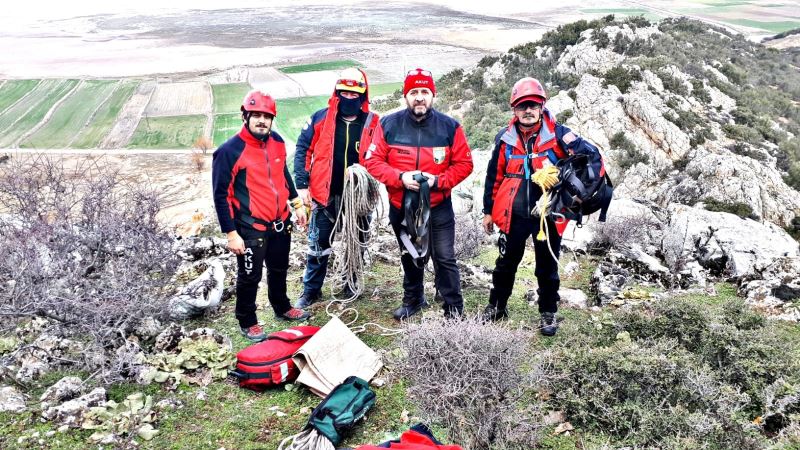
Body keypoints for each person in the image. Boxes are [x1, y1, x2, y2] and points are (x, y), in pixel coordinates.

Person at [481, 77, 601, 336]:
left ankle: (548, 312)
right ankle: (497, 306)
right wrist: (488, 211)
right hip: (513, 213)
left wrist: (578, 195)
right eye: (522, 105)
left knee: (547, 266)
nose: (528, 110)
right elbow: (494, 177)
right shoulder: (505, 139)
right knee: (505, 263)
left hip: (549, 214)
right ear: (514, 109)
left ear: (542, 106)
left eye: (533, 105)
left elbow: (593, 158)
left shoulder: (559, 134)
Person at [364, 68, 473, 320]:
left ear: (433, 95)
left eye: (425, 91)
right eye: (414, 92)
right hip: (401, 206)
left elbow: (464, 165)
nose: (419, 97)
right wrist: (400, 178)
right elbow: (373, 161)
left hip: (438, 207)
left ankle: (453, 309)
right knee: (410, 255)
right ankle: (413, 299)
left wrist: (438, 181)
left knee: (445, 258)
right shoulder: (388, 124)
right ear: (406, 96)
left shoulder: (450, 127)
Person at [212, 90, 310, 342]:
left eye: (266, 116)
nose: (261, 121)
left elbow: (282, 175)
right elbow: (220, 195)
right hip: (249, 227)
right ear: (245, 116)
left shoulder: (276, 141)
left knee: (279, 269)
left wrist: (296, 203)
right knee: (250, 276)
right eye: (256, 115)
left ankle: (282, 307)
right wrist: (231, 234)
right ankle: (247, 319)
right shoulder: (229, 151)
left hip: (279, 222)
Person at [293, 68, 381, 308]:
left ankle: (351, 283)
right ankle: (311, 291)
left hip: (359, 197)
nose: (349, 99)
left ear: (363, 95)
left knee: (357, 242)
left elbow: (382, 154)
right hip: (325, 194)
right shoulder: (320, 118)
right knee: (319, 244)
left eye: (355, 94)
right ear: (337, 93)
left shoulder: (373, 123)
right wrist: (302, 185)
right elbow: (303, 149)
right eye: (345, 93)